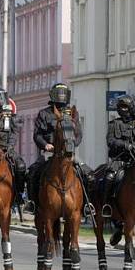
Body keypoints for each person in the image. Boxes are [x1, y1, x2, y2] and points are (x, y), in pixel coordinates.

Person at [26, 83, 91, 212]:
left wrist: (71, 145)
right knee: (32, 172)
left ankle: (87, 205)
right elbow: (37, 135)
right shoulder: (44, 113)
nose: (61, 96)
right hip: (50, 153)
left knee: (88, 174)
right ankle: (32, 203)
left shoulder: (72, 113)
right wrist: (45, 145)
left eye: (63, 94)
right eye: (59, 93)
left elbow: (78, 135)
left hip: (68, 153)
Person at [102, 94, 135, 245]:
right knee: (110, 177)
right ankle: (107, 207)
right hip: (120, 160)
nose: (123, 110)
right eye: (121, 107)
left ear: (131, 108)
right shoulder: (114, 124)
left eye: (126, 107)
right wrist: (125, 145)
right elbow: (110, 140)